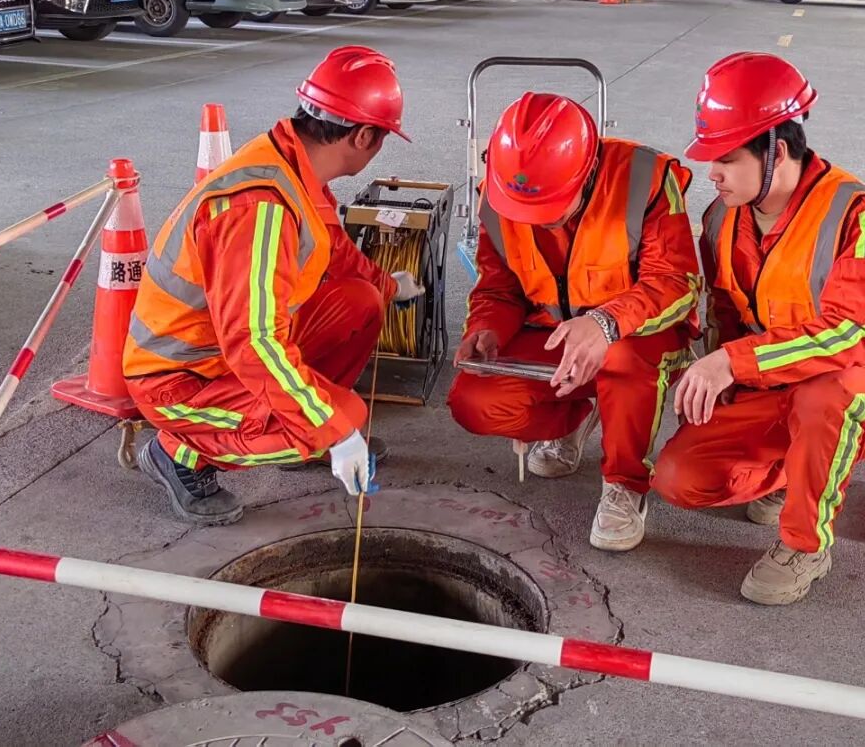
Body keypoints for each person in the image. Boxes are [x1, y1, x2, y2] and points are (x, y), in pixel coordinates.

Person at [651, 52, 865, 605]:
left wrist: (733, 363)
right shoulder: (721, 217)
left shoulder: (857, 215)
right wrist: (722, 371)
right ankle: (794, 476)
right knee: (678, 477)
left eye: (726, 157)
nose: (712, 173)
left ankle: (805, 544)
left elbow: (851, 337)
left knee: (828, 396)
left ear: (775, 150)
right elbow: (729, 319)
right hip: (776, 388)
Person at [123, 46, 424, 526]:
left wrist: (389, 285)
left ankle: (300, 424)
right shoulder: (260, 208)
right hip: (180, 382)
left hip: (221, 356)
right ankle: (176, 454)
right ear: (365, 135)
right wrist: (333, 429)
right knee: (341, 416)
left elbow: (337, 252)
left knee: (360, 302)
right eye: (383, 137)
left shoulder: (293, 164)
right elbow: (253, 342)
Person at [448, 92, 701, 552]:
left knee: (623, 361)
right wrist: (486, 330)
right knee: (475, 400)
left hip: (636, 335)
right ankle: (575, 419)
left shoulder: (644, 179)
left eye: (551, 212)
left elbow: (677, 284)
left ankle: (626, 483)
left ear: (588, 174)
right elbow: (498, 288)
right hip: (550, 336)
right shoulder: (500, 194)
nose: (540, 224)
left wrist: (606, 323)